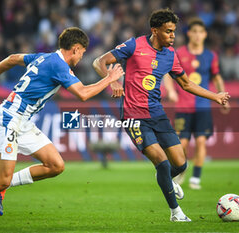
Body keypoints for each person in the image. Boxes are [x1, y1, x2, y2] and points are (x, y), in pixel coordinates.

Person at [0, 27, 124, 228]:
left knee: (55, 165)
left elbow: (13, 58)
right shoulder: (59, 65)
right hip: (8, 119)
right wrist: (109, 79)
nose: (82, 57)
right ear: (76, 49)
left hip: (22, 121)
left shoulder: (44, 58)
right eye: (83, 52)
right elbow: (83, 93)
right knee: (0, 180)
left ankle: (2, 187)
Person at [93, 9, 230, 222]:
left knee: (181, 163)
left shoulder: (170, 55)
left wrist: (215, 96)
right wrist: (112, 80)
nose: (173, 36)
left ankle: (166, 180)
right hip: (133, 114)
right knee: (162, 163)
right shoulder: (134, 45)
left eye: (174, 31)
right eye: (168, 32)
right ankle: (176, 213)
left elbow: (185, 83)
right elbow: (99, 61)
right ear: (154, 31)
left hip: (157, 113)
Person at [164, 18, 230, 190]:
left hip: (203, 107)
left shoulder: (211, 56)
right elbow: (167, 74)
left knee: (201, 141)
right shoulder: (178, 52)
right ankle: (181, 170)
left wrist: (222, 97)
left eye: (201, 32)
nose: (198, 35)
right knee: (182, 144)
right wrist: (170, 91)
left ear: (205, 34)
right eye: (194, 32)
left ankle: (196, 178)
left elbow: (216, 77)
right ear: (189, 34)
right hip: (183, 107)